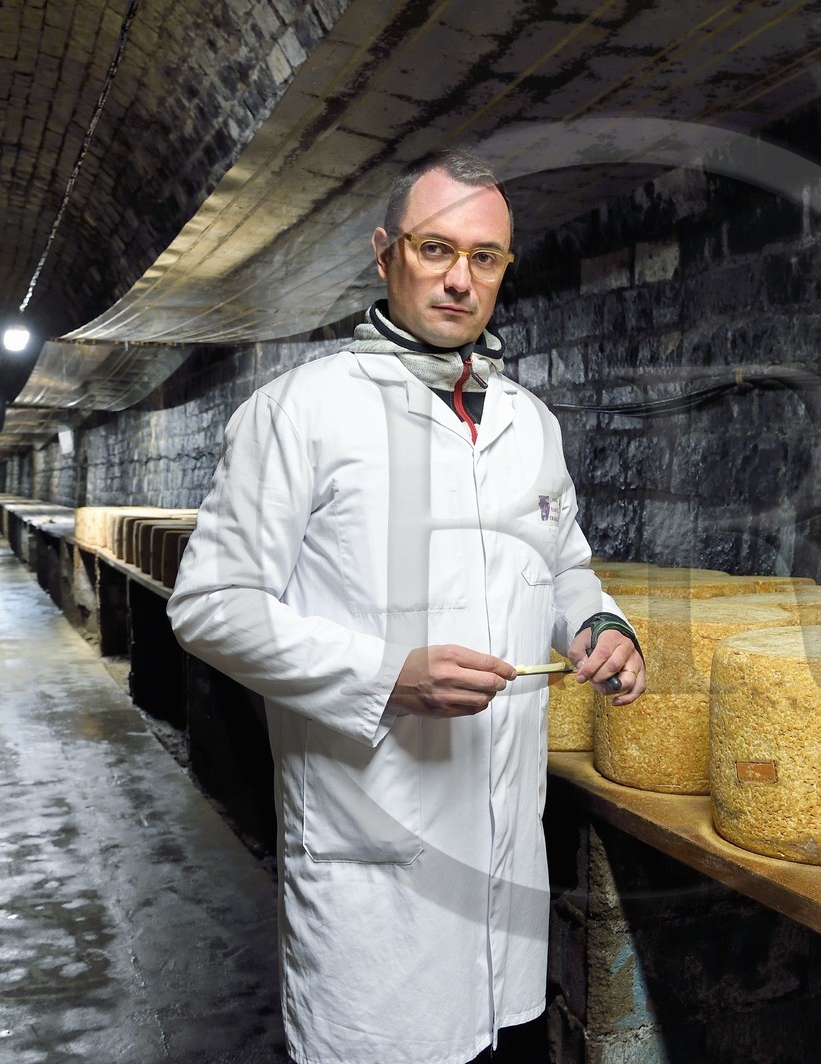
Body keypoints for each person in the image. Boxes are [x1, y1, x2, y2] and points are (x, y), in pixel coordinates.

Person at [168, 148, 646, 1064]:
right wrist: (387, 676)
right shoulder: (300, 412)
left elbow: (565, 565)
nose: (460, 280)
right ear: (386, 253)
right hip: (373, 872)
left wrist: (598, 623)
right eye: (436, 249)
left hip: (506, 868)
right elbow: (211, 606)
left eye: (487, 258)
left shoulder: (529, 424)